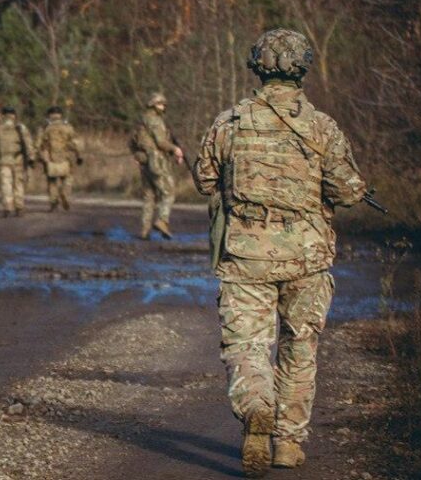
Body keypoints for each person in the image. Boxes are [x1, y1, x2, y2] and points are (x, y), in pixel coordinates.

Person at [195, 29, 367, 477]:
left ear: (256, 66)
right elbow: (347, 192)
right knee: (300, 346)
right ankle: (288, 444)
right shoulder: (322, 126)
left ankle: (256, 404)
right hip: (307, 256)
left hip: (246, 253)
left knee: (248, 344)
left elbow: (205, 181)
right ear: (303, 69)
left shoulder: (229, 121)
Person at [131, 92, 185, 239]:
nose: (163, 107)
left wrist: (137, 155)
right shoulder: (155, 121)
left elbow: (131, 141)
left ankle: (144, 231)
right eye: (161, 104)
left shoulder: (141, 121)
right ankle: (163, 220)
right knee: (169, 192)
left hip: (144, 162)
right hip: (157, 161)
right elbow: (161, 142)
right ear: (154, 105)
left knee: (149, 197)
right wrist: (175, 150)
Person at [36, 106, 83, 211]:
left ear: (49, 115)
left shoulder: (44, 128)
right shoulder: (67, 127)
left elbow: (38, 144)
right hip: (65, 158)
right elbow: (76, 143)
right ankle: (65, 194)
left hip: (50, 159)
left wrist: (37, 157)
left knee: (52, 181)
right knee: (67, 179)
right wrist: (79, 156)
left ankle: (53, 202)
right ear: (60, 115)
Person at [0, 106, 36, 217]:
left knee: (5, 184)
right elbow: (28, 143)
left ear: (3, 115)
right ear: (14, 116)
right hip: (18, 160)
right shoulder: (21, 128)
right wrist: (31, 158)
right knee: (18, 184)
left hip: (3, 161)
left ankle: (7, 206)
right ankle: (19, 207)